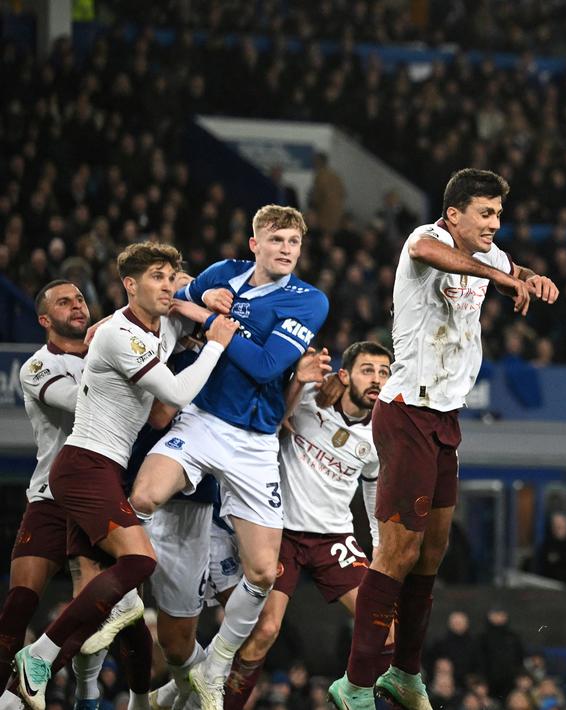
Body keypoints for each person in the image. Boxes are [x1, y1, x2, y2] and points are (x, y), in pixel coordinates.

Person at [330, 169, 557, 710]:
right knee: (397, 551)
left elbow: (509, 266)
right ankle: (357, 682)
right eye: (485, 213)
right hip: (406, 412)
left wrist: (529, 276)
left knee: (431, 553)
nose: (494, 223)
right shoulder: (421, 241)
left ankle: (405, 674)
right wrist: (500, 277)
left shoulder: (491, 256)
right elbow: (439, 255)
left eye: (499, 214)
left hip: (444, 421)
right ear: (454, 213)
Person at [13, 243, 239, 710]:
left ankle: (31, 696)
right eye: (156, 277)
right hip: (83, 466)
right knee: (138, 563)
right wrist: (215, 343)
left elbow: (186, 301)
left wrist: (195, 302)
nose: (166, 284)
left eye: (170, 277)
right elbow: (175, 392)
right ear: (129, 287)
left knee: (115, 606)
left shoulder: (157, 325)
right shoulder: (119, 334)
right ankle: (38, 656)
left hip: (101, 470)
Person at [128, 204, 330, 710]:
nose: (287, 250)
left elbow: (266, 365)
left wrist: (203, 313)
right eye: (277, 240)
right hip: (202, 419)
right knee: (143, 496)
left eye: (294, 243)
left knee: (264, 573)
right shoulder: (222, 274)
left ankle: (216, 663)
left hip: (255, 442)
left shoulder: (308, 300)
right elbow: (170, 293)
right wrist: (192, 293)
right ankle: (124, 600)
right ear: (254, 243)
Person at [223, 341, 391, 710]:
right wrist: (299, 383)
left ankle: (354, 693)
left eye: (383, 372)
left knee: (388, 629)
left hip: (334, 536)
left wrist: (378, 543)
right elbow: (272, 420)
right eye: (367, 370)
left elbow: (373, 482)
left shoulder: (383, 432)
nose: (376, 379)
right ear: (344, 375)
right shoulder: (312, 393)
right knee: (265, 631)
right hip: (280, 530)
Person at [1, 280, 144, 710]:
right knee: (21, 599)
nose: (77, 306)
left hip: (97, 491)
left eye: (80, 298)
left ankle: (91, 694)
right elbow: (83, 405)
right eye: (64, 302)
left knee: (111, 607)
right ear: (45, 319)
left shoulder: (107, 351)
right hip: (48, 494)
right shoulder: (36, 367)